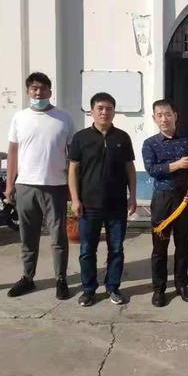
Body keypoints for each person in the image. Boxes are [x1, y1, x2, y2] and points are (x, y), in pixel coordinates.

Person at [5, 72, 75, 300]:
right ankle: (28, 278)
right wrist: (9, 184)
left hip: (55, 186)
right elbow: (13, 152)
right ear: (28, 91)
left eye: (43, 88)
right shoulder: (19, 118)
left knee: (58, 237)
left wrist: (72, 188)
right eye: (34, 88)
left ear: (50, 92)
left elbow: (72, 156)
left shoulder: (64, 118)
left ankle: (61, 279)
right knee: (28, 236)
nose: (38, 92)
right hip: (26, 186)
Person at [68, 93, 137, 307]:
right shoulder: (80, 138)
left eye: (109, 108)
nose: (104, 112)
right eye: (100, 108)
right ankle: (89, 289)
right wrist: (75, 200)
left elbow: (130, 168)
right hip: (89, 205)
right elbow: (73, 169)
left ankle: (113, 287)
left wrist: (133, 196)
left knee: (116, 249)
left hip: (117, 204)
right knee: (87, 250)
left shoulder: (122, 137)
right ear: (92, 111)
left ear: (114, 111)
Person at [142, 100, 188, 307]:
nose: (164, 119)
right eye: (159, 115)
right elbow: (152, 170)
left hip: (185, 198)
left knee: (182, 245)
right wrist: (178, 164)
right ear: (154, 118)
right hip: (163, 199)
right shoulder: (150, 144)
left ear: (175, 115)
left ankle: (181, 285)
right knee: (160, 247)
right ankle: (159, 289)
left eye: (167, 114)